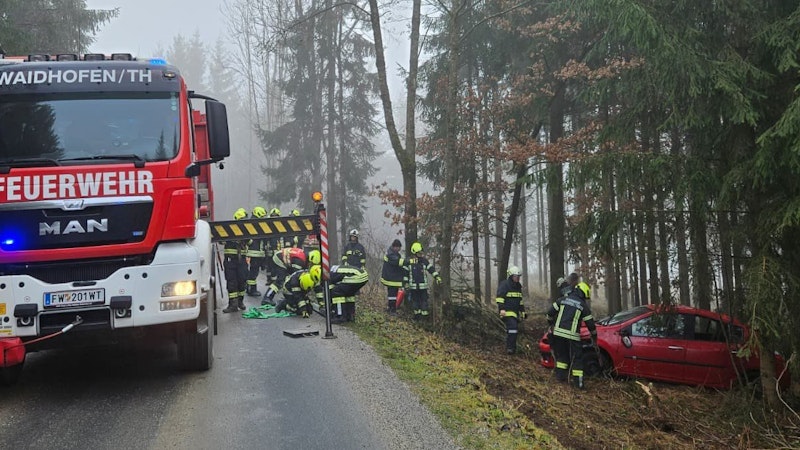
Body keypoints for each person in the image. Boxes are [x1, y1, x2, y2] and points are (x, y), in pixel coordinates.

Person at [547, 281, 597, 389]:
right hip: (572, 336)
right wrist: (594, 335)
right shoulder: (583, 305)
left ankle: (560, 379)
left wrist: (551, 323)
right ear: (583, 293)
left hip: (558, 334)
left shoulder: (563, 299)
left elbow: (550, 313)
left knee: (562, 357)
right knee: (577, 359)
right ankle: (579, 384)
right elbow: (590, 324)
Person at [404, 242, 441, 320]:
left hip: (423, 287)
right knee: (415, 302)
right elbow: (405, 274)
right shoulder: (409, 262)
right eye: (419, 253)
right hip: (413, 288)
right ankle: (417, 317)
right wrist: (406, 284)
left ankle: (424, 318)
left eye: (421, 253)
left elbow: (431, 269)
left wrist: (437, 277)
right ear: (414, 253)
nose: (421, 255)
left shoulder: (424, 261)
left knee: (424, 302)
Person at [223, 208, 249, 313]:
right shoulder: (228, 229)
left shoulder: (248, 230)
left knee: (242, 280)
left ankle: (240, 302)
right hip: (230, 260)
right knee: (232, 282)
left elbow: (250, 241)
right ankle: (232, 304)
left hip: (242, 260)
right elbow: (221, 240)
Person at [496, 266, 525, 354]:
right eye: (516, 276)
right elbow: (500, 298)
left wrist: (522, 311)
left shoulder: (518, 286)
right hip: (507, 311)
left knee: (513, 330)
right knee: (513, 328)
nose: (518, 278)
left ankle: (512, 347)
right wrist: (502, 309)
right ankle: (510, 348)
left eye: (519, 276)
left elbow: (520, 301)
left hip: (515, 313)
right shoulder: (505, 284)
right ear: (511, 276)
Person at [245, 206, 267, 297]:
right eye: (262, 217)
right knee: (253, 272)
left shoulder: (253, 223)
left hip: (255, 253)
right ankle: (251, 290)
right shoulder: (256, 225)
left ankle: (249, 288)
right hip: (255, 253)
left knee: (253, 271)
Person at [380, 239, 406, 315]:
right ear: (394, 247)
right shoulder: (391, 254)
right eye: (398, 247)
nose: (399, 249)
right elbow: (398, 262)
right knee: (392, 295)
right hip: (391, 278)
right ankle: (392, 310)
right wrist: (409, 261)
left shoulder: (393, 253)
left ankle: (390, 308)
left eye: (399, 247)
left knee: (392, 294)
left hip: (392, 277)